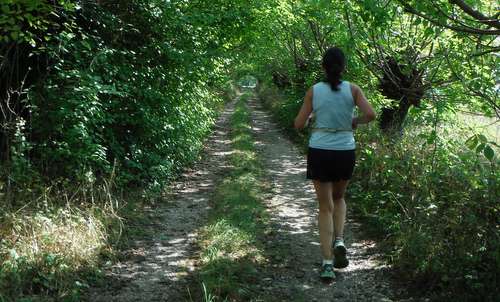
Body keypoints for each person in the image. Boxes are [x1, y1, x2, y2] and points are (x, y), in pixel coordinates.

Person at [294, 47, 375, 280]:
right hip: (345, 151)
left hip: (320, 150)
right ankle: (339, 239)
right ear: (344, 67)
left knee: (324, 207)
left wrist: (309, 119)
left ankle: (327, 263)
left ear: (323, 66)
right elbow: (371, 115)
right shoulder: (353, 89)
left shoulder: (314, 91)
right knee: (339, 198)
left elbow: (298, 124)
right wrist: (354, 121)